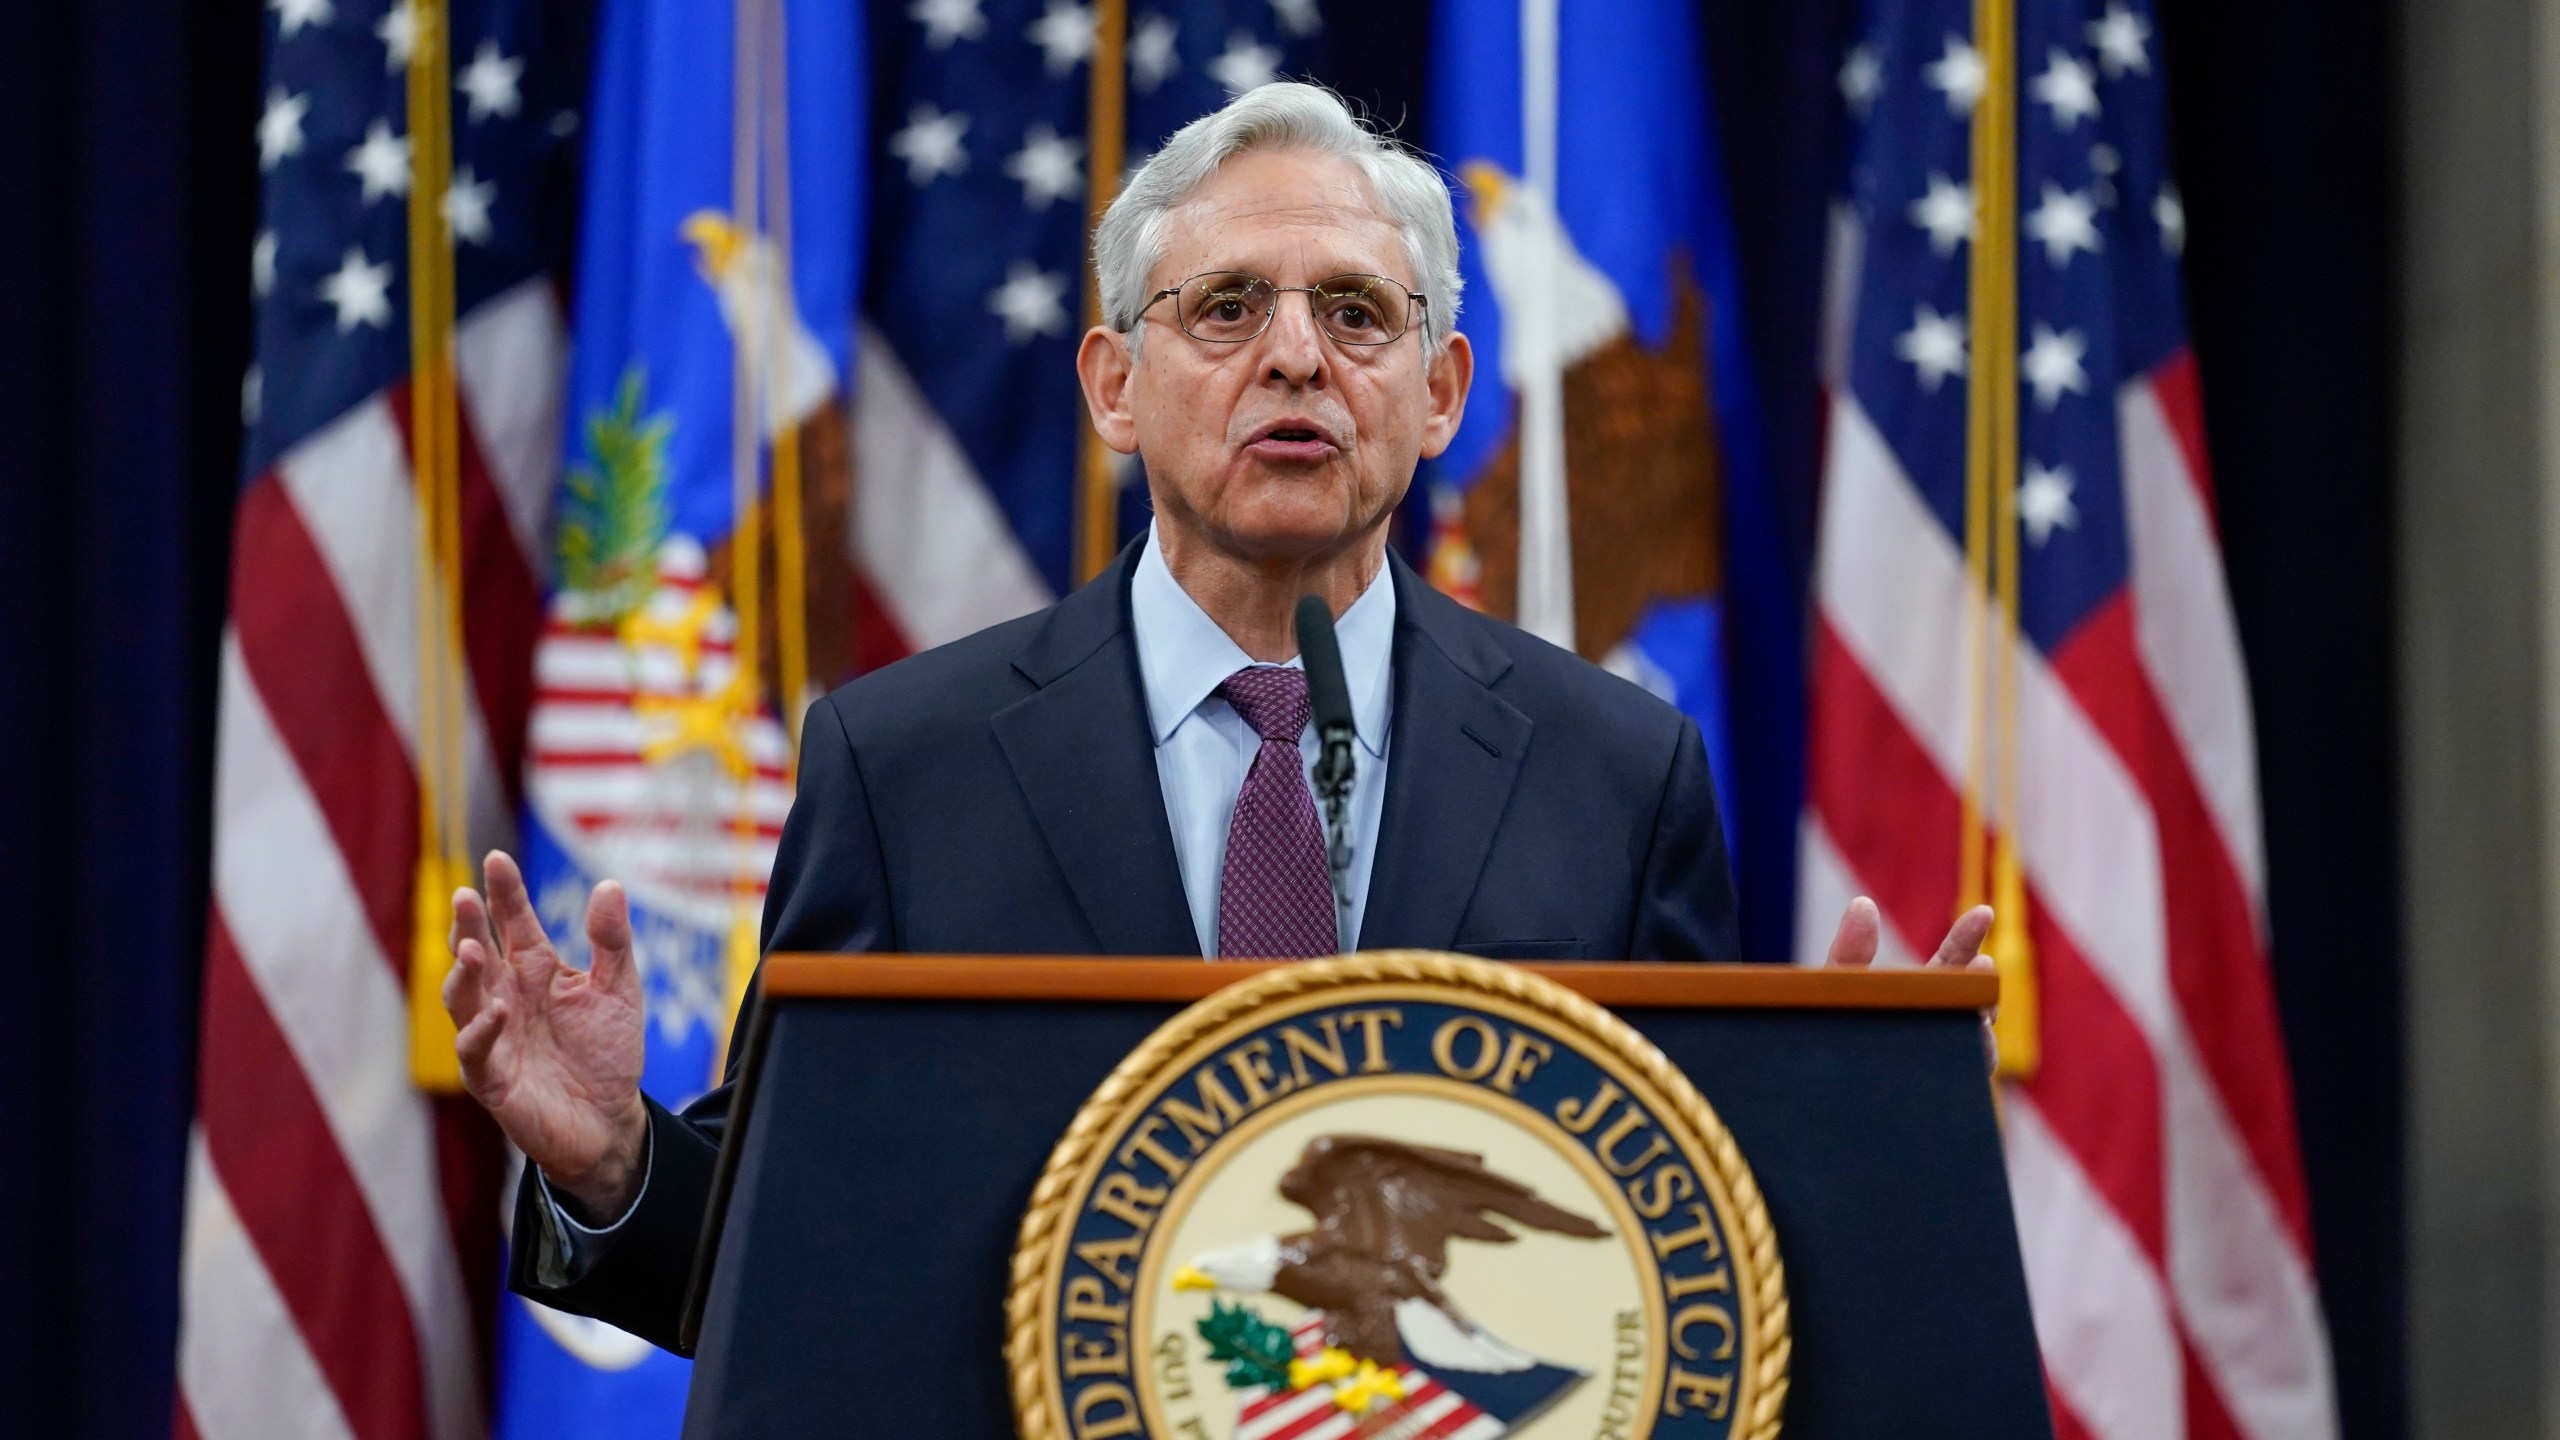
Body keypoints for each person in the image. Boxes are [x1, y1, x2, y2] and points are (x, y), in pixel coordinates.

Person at [441, 82, 1994, 1353]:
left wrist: (1852, 1146)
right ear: (1115, 387)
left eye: (1358, 315)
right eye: (1230, 307)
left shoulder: (1615, 771)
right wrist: (616, 1162)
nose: (1298, 356)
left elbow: (1673, 1255)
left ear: (1443, 390)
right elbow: (802, 1265)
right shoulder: (908, 766)